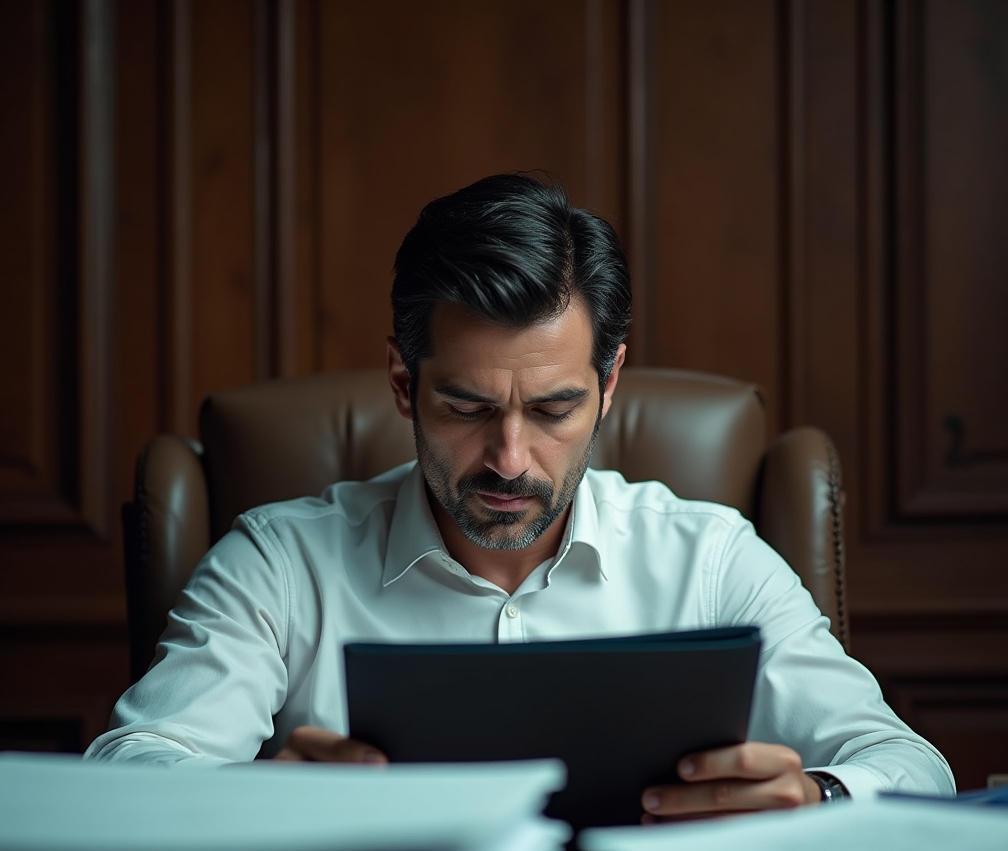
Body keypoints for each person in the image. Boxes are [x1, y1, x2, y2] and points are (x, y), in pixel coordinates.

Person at [85, 174, 954, 818]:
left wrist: (817, 791)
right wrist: (257, 800)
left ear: (609, 383)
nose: (510, 459)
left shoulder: (712, 558)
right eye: (465, 407)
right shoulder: (281, 562)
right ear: (400, 380)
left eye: (553, 409)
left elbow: (908, 764)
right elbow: (132, 767)